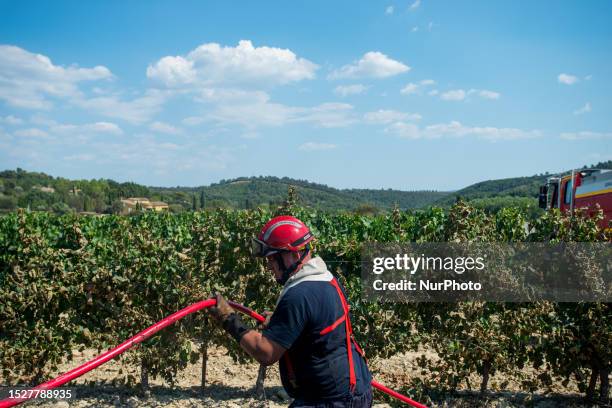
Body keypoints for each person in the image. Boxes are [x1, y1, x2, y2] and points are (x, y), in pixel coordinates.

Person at [209, 215, 373, 407]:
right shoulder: (328, 279)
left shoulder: (299, 295)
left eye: (273, 257)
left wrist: (228, 319)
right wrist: (282, 322)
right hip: (355, 390)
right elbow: (315, 325)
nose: (269, 265)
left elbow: (266, 353)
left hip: (329, 400)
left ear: (294, 254)